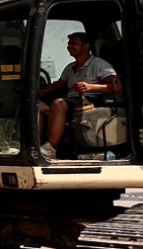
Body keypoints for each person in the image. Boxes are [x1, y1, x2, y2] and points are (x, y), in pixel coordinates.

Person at [38, 32, 120, 160]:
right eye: (68, 44)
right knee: (36, 105)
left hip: (90, 101)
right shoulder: (70, 68)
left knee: (58, 104)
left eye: (74, 44)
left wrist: (91, 87)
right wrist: (35, 92)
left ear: (86, 46)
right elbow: (56, 86)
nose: (70, 47)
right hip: (72, 101)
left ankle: (50, 148)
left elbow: (117, 87)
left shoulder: (99, 65)